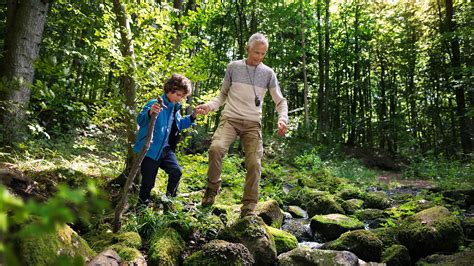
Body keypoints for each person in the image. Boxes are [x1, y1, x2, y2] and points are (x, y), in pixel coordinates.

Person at [195, 33, 288, 217]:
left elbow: (280, 100)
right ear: (248, 49)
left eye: (263, 53)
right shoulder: (234, 67)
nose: (259, 57)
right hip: (230, 119)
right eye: (256, 52)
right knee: (216, 148)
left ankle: (249, 206)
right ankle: (211, 190)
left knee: (254, 163)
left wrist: (282, 118)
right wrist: (209, 106)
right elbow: (222, 95)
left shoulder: (268, 73)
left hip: (253, 124)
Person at [134, 73, 197, 207]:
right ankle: (141, 209)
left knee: (176, 172)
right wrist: (150, 112)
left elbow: (180, 125)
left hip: (166, 150)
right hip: (150, 149)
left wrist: (193, 116)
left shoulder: (175, 109)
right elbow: (140, 120)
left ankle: (170, 203)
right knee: (148, 183)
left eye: (183, 96)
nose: (180, 99)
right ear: (170, 90)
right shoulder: (154, 103)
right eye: (179, 95)